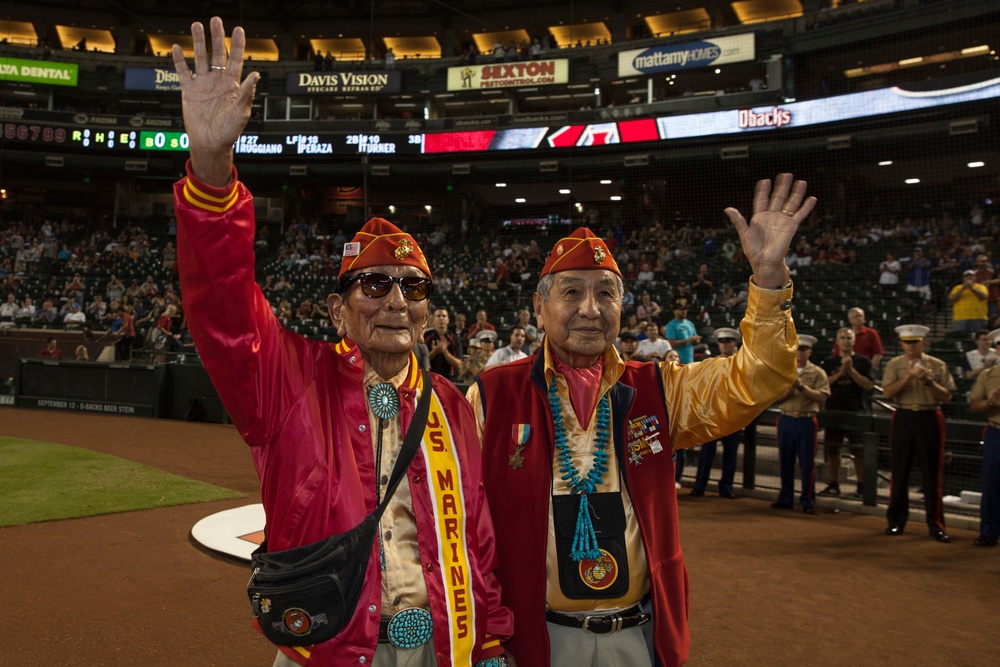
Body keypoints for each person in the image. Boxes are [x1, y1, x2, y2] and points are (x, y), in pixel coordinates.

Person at [170, 18, 512, 666]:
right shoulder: (289, 380)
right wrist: (212, 172)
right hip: (325, 651)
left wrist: (491, 638)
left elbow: (478, 538)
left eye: (412, 288)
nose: (394, 300)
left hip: (442, 650)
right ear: (338, 308)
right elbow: (222, 305)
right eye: (374, 284)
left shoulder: (453, 402)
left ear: (429, 311)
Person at [468, 171, 816, 667]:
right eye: (571, 292)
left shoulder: (660, 387)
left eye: (606, 293)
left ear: (621, 308)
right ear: (539, 310)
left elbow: (760, 377)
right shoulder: (491, 395)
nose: (591, 309)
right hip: (536, 638)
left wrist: (768, 279)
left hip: (637, 635)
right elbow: (463, 523)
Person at [881, 324, 956, 542]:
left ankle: (936, 525)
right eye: (907, 342)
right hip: (903, 416)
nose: (911, 346)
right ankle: (896, 521)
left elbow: (946, 396)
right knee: (900, 471)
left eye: (915, 342)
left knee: (932, 474)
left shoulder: (937, 365)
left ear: (923, 343)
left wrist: (927, 380)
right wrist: (908, 378)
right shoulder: (895, 364)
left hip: (929, 416)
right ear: (902, 343)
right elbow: (888, 392)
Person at [770, 334, 830, 514]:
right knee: (785, 461)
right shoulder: (784, 371)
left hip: (806, 420)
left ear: (809, 352)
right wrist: (790, 388)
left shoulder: (818, 372)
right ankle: (785, 498)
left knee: (806, 463)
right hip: (786, 417)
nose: (800, 353)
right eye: (797, 349)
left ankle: (807, 500)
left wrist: (802, 387)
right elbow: (775, 398)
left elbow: (821, 397)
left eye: (803, 349)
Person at [818, 328, 874, 498]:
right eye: (842, 338)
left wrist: (851, 371)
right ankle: (834, 484)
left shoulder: (863, 361)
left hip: (856, 413)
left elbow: (869, 385)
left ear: (854, 340)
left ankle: (862, 487)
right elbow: (823, 384)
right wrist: (841, 372)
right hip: (834, 412)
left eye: (849, 338)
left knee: (859, 452)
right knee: (833, 451)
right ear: (837, 340)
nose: (846, 341)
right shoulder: (829, 362)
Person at [689, 328, 743, 498]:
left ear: (735, 343)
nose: (724, 345)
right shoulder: (711, 363)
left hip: (734, 413)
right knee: (707, 451)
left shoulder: (742, 362)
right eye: (722, 342)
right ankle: (700, 485)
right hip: (713, 413)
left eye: (728, 341)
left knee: (731, 453)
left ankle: (726, 487)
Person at [966, 327, 1000, 547]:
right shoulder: (989, 375)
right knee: (992, 484)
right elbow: (973, 405)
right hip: (996, 432)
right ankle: (989, 531)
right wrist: (989, 402)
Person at [424, 306, 463, 382]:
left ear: (448, 320)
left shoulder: (455, 339)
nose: (441, 318)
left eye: (444, 316)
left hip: (449, 380)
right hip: (428, 379)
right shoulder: (425, 337)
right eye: (438, 316)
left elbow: (459, 365)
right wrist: (434, 352)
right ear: (433, 320)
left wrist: (445, 352)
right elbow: (419, 364)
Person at [664, 298, 700, 364]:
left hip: (690, 359)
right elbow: (671, 343)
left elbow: (695, 339)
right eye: (681, 309)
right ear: (674, 311)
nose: (684, 311)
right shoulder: (671, 325)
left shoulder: (690, 323)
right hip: (677, 361)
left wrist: (696, 340)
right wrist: (688, 340)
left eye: (685, 309)